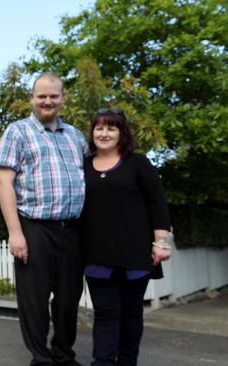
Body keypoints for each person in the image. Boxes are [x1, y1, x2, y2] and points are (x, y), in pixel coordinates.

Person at [0, 72, 87, 365]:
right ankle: (41, 358)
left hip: (72, 229)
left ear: (62, 98)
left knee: (68, 298)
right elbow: (4, 183)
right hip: (34, 227)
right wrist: (15, 232)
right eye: (42, 96)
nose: (48, 101)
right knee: (34, 301)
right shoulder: (18, 132)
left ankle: (63, 354)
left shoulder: (76, 136)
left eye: (54, 96)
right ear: (32, 98)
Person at [81, 108, 172, 366]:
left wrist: (161, 242)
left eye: (111, 128)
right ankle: (103, 362)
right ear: (92, 132)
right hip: (97, 253)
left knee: (131, 314)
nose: (104, 133)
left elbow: (158, 204)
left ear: (122, 133)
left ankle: (128, 362)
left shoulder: (138, 163)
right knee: (106, 313)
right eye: (99, 128)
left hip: (135, 253)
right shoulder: (83, 165)